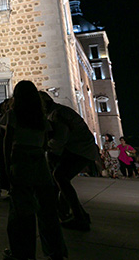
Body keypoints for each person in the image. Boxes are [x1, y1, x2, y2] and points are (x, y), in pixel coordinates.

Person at [3, 81, 66, 260]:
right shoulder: (41, 118)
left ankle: (21, 253)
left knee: (21, 212)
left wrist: (6, 169)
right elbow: (45, 144)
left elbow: (7, 143)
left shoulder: (13, 115)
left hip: (21, 163)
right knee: (47, 211)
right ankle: (55, 250)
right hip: (40, 164)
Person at [41, 92, 97, 232]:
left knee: (60, 177)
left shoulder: (56, 114)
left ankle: (79, 217)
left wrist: (46, 145)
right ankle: (80, 214)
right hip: (80, 149)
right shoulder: (57, 112)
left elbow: (60, 139)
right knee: (61, 179)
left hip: (80, 149)